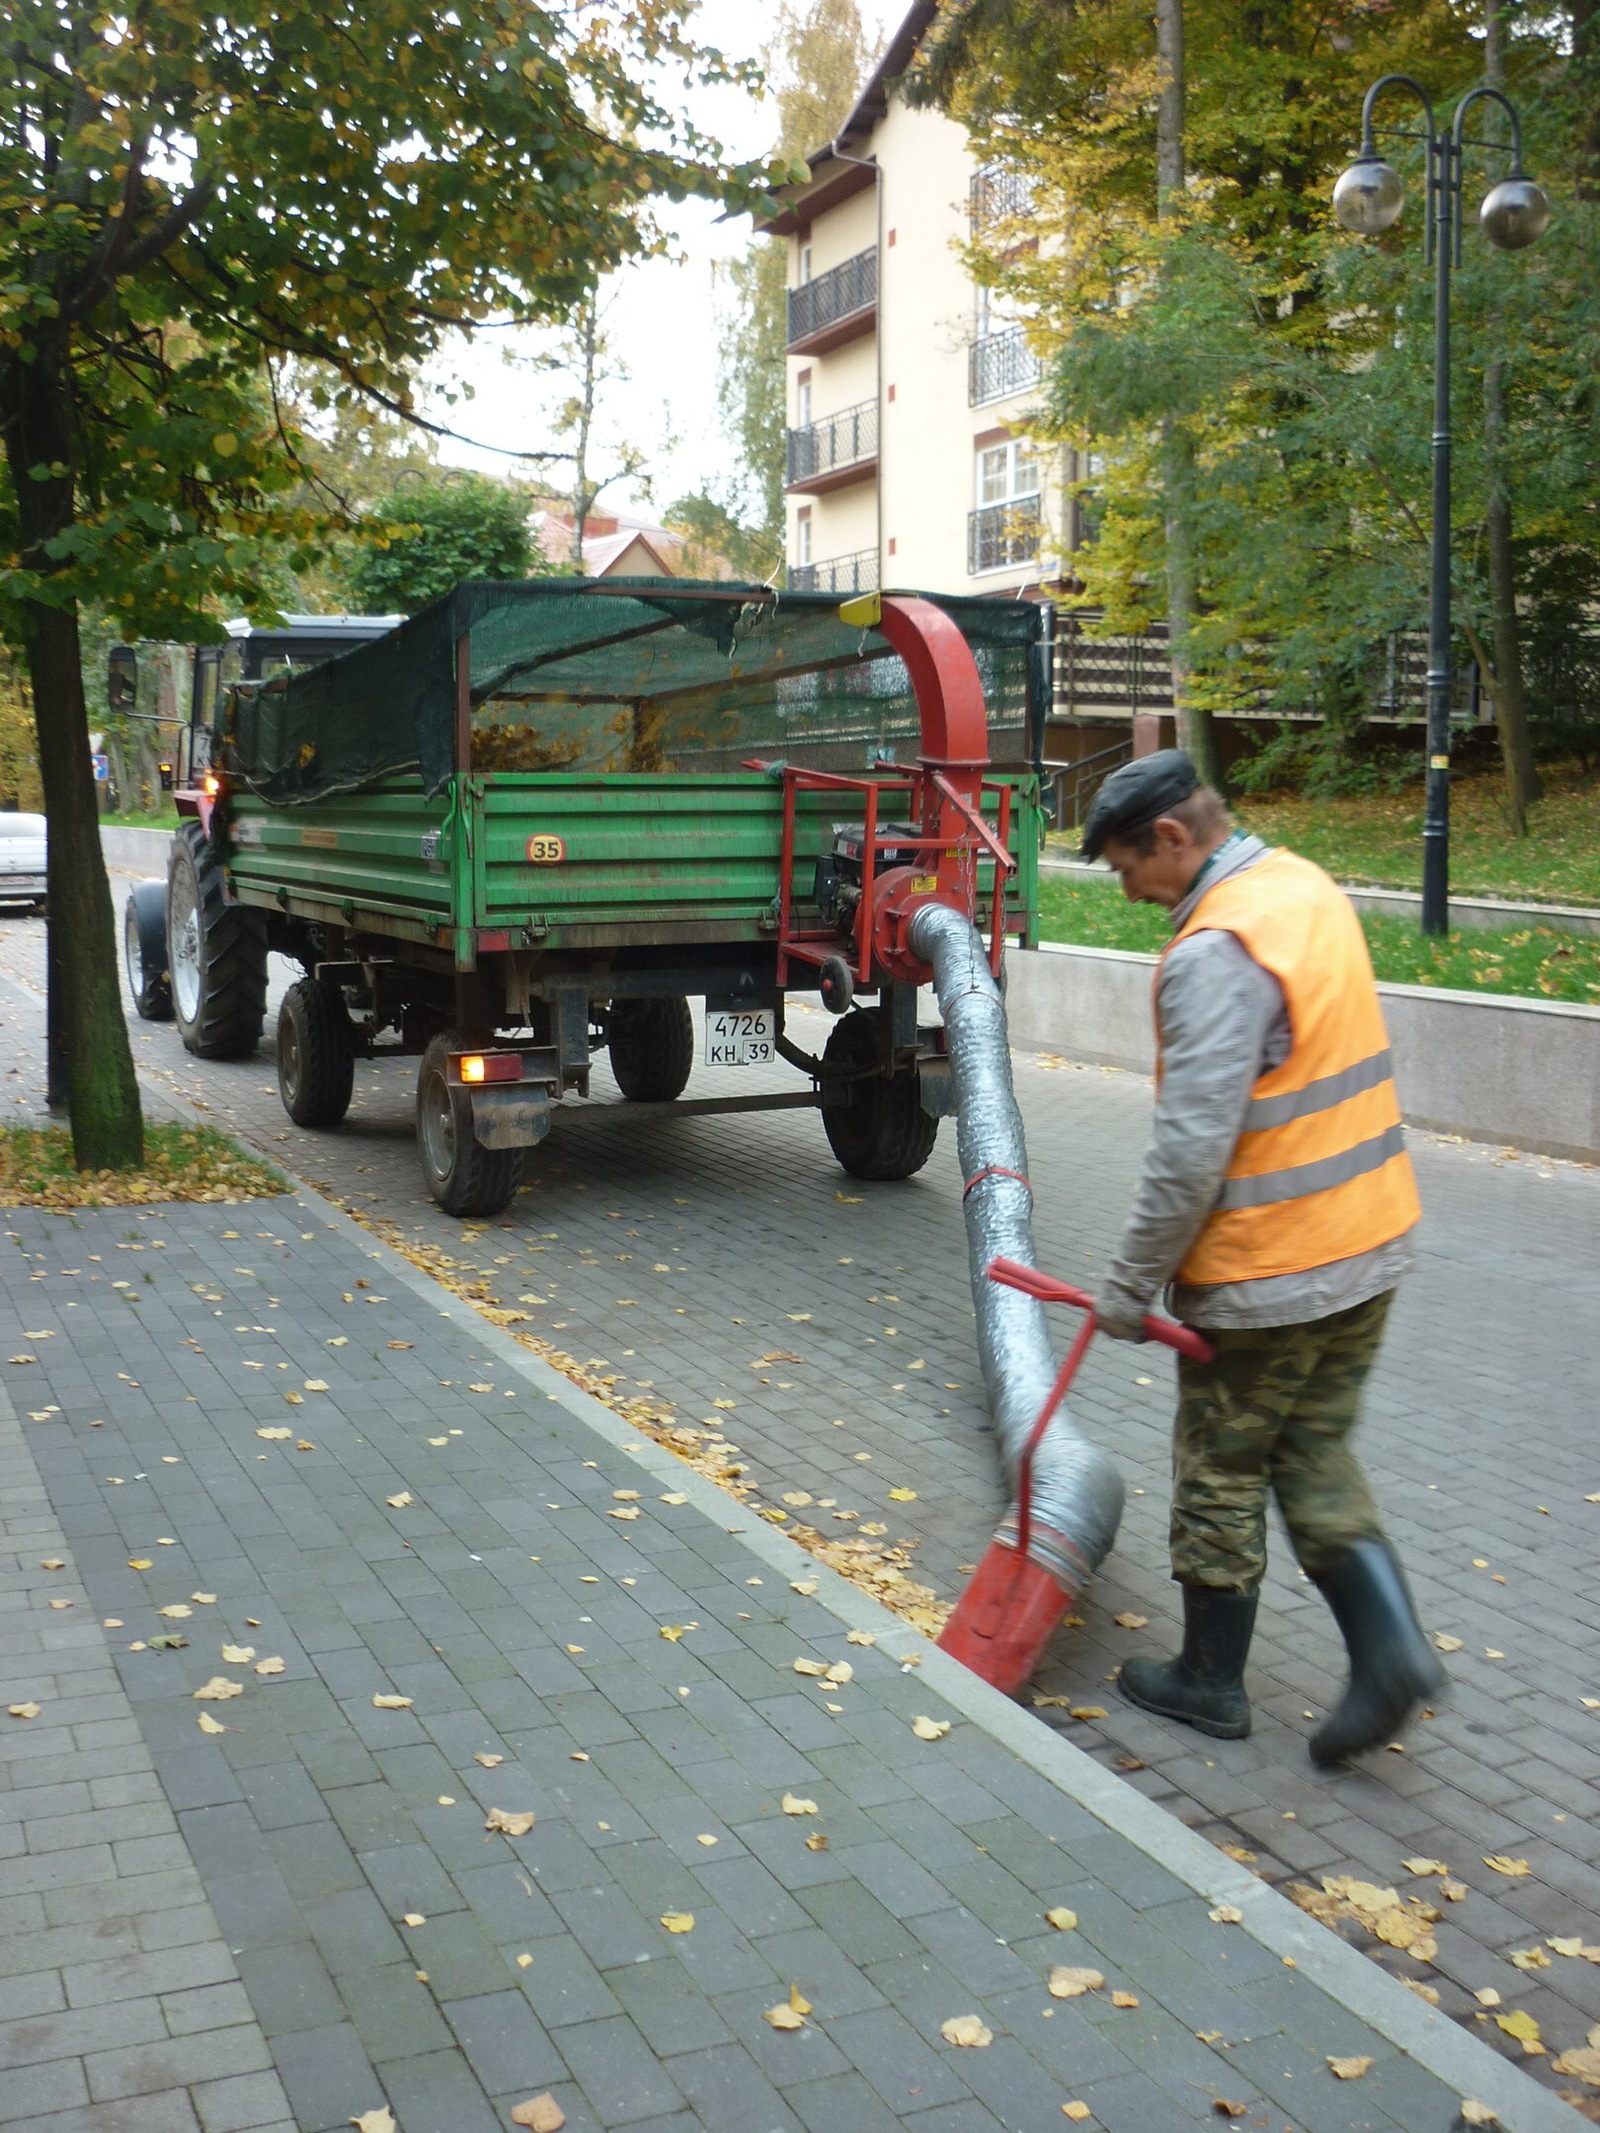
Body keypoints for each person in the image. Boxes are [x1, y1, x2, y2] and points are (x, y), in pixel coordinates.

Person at [1079, 749, 1443, 1765]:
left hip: (1269, 1273)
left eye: (1123, 868)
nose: (1127, 890)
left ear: (1170, 839)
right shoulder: (1300, 887)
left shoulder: (1214, 950)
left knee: (1220, 1469)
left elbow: (1188, 1152)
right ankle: (1389, 1651)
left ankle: (1207, 1682)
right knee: (1312, 1449)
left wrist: (1125, 1286)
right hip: (1368, 1244)